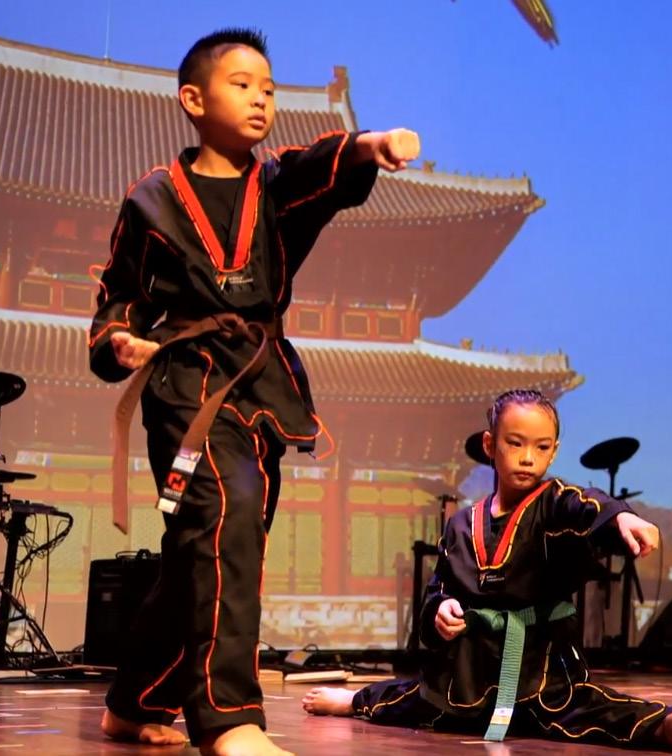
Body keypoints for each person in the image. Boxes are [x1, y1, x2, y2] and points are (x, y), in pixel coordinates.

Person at [87, 27, 420, 756]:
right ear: (193, 99)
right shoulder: (151, 199)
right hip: (186, 385)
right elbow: (119, 298)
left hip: (261, 384)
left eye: (268, 88)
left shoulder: (273, 187)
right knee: (224, 523)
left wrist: (370, 145)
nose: (261, 98)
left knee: (206, 551)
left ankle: (132, 702)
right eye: (241, 85)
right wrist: (120, 341)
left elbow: (317, 167)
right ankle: (228, 719)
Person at [301, 389, 672, 752]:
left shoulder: (553, 504)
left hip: (542, 673)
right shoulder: (461, 524)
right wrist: (441, 609)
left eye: (542, 448)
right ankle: (353, 699)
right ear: (490, 445)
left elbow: (584, 504)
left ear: (554, 451)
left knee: (591, 709)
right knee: (413, 695)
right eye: (515, 443)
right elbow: (438, 589)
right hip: (468, 676)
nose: (528, 458)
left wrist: (622, 517)